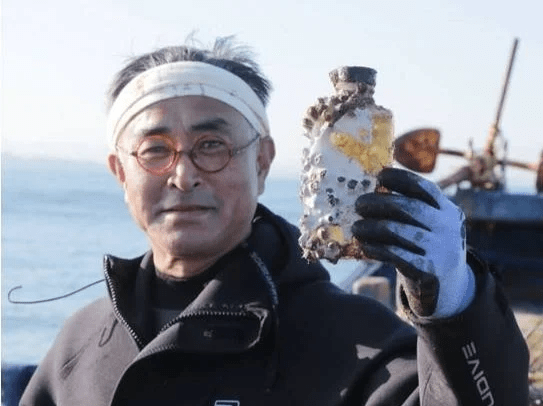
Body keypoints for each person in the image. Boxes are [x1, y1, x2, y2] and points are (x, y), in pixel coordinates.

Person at [21, 37, 529, 406]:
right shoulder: (80, 343)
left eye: (212, 145)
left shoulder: (353, 342)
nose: (183, 175)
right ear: (120, 171)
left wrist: (457, 307)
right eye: (155, 150)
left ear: (262, 162)